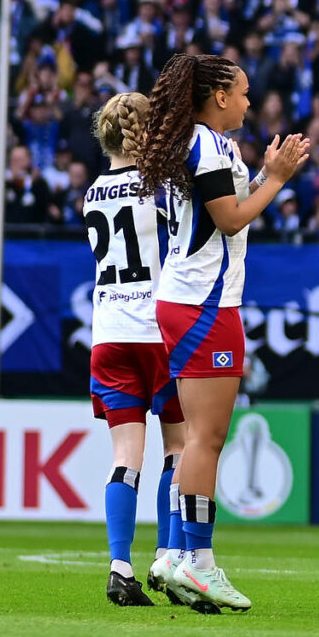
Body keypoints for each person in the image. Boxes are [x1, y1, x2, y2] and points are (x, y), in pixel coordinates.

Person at [132, 51, 312, 614]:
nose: (249, 102)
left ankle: (174, 555)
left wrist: (261, 174)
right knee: (206, 440)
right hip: (206, 303)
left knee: (193, 441)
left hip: (188, 299)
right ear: (218, 98)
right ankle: (201, 563)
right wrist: (277, 181)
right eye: (243, 92)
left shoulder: (206, 144)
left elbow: (221, 211)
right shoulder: (207, 144)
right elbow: (231, 218)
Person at [81, 91, 191, 607]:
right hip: (160, 332)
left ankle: (119, 565)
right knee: (179, 448)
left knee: (125, 457)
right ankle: (167, 559)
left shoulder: (92, 194)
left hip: (109, 333)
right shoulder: (163, 189)